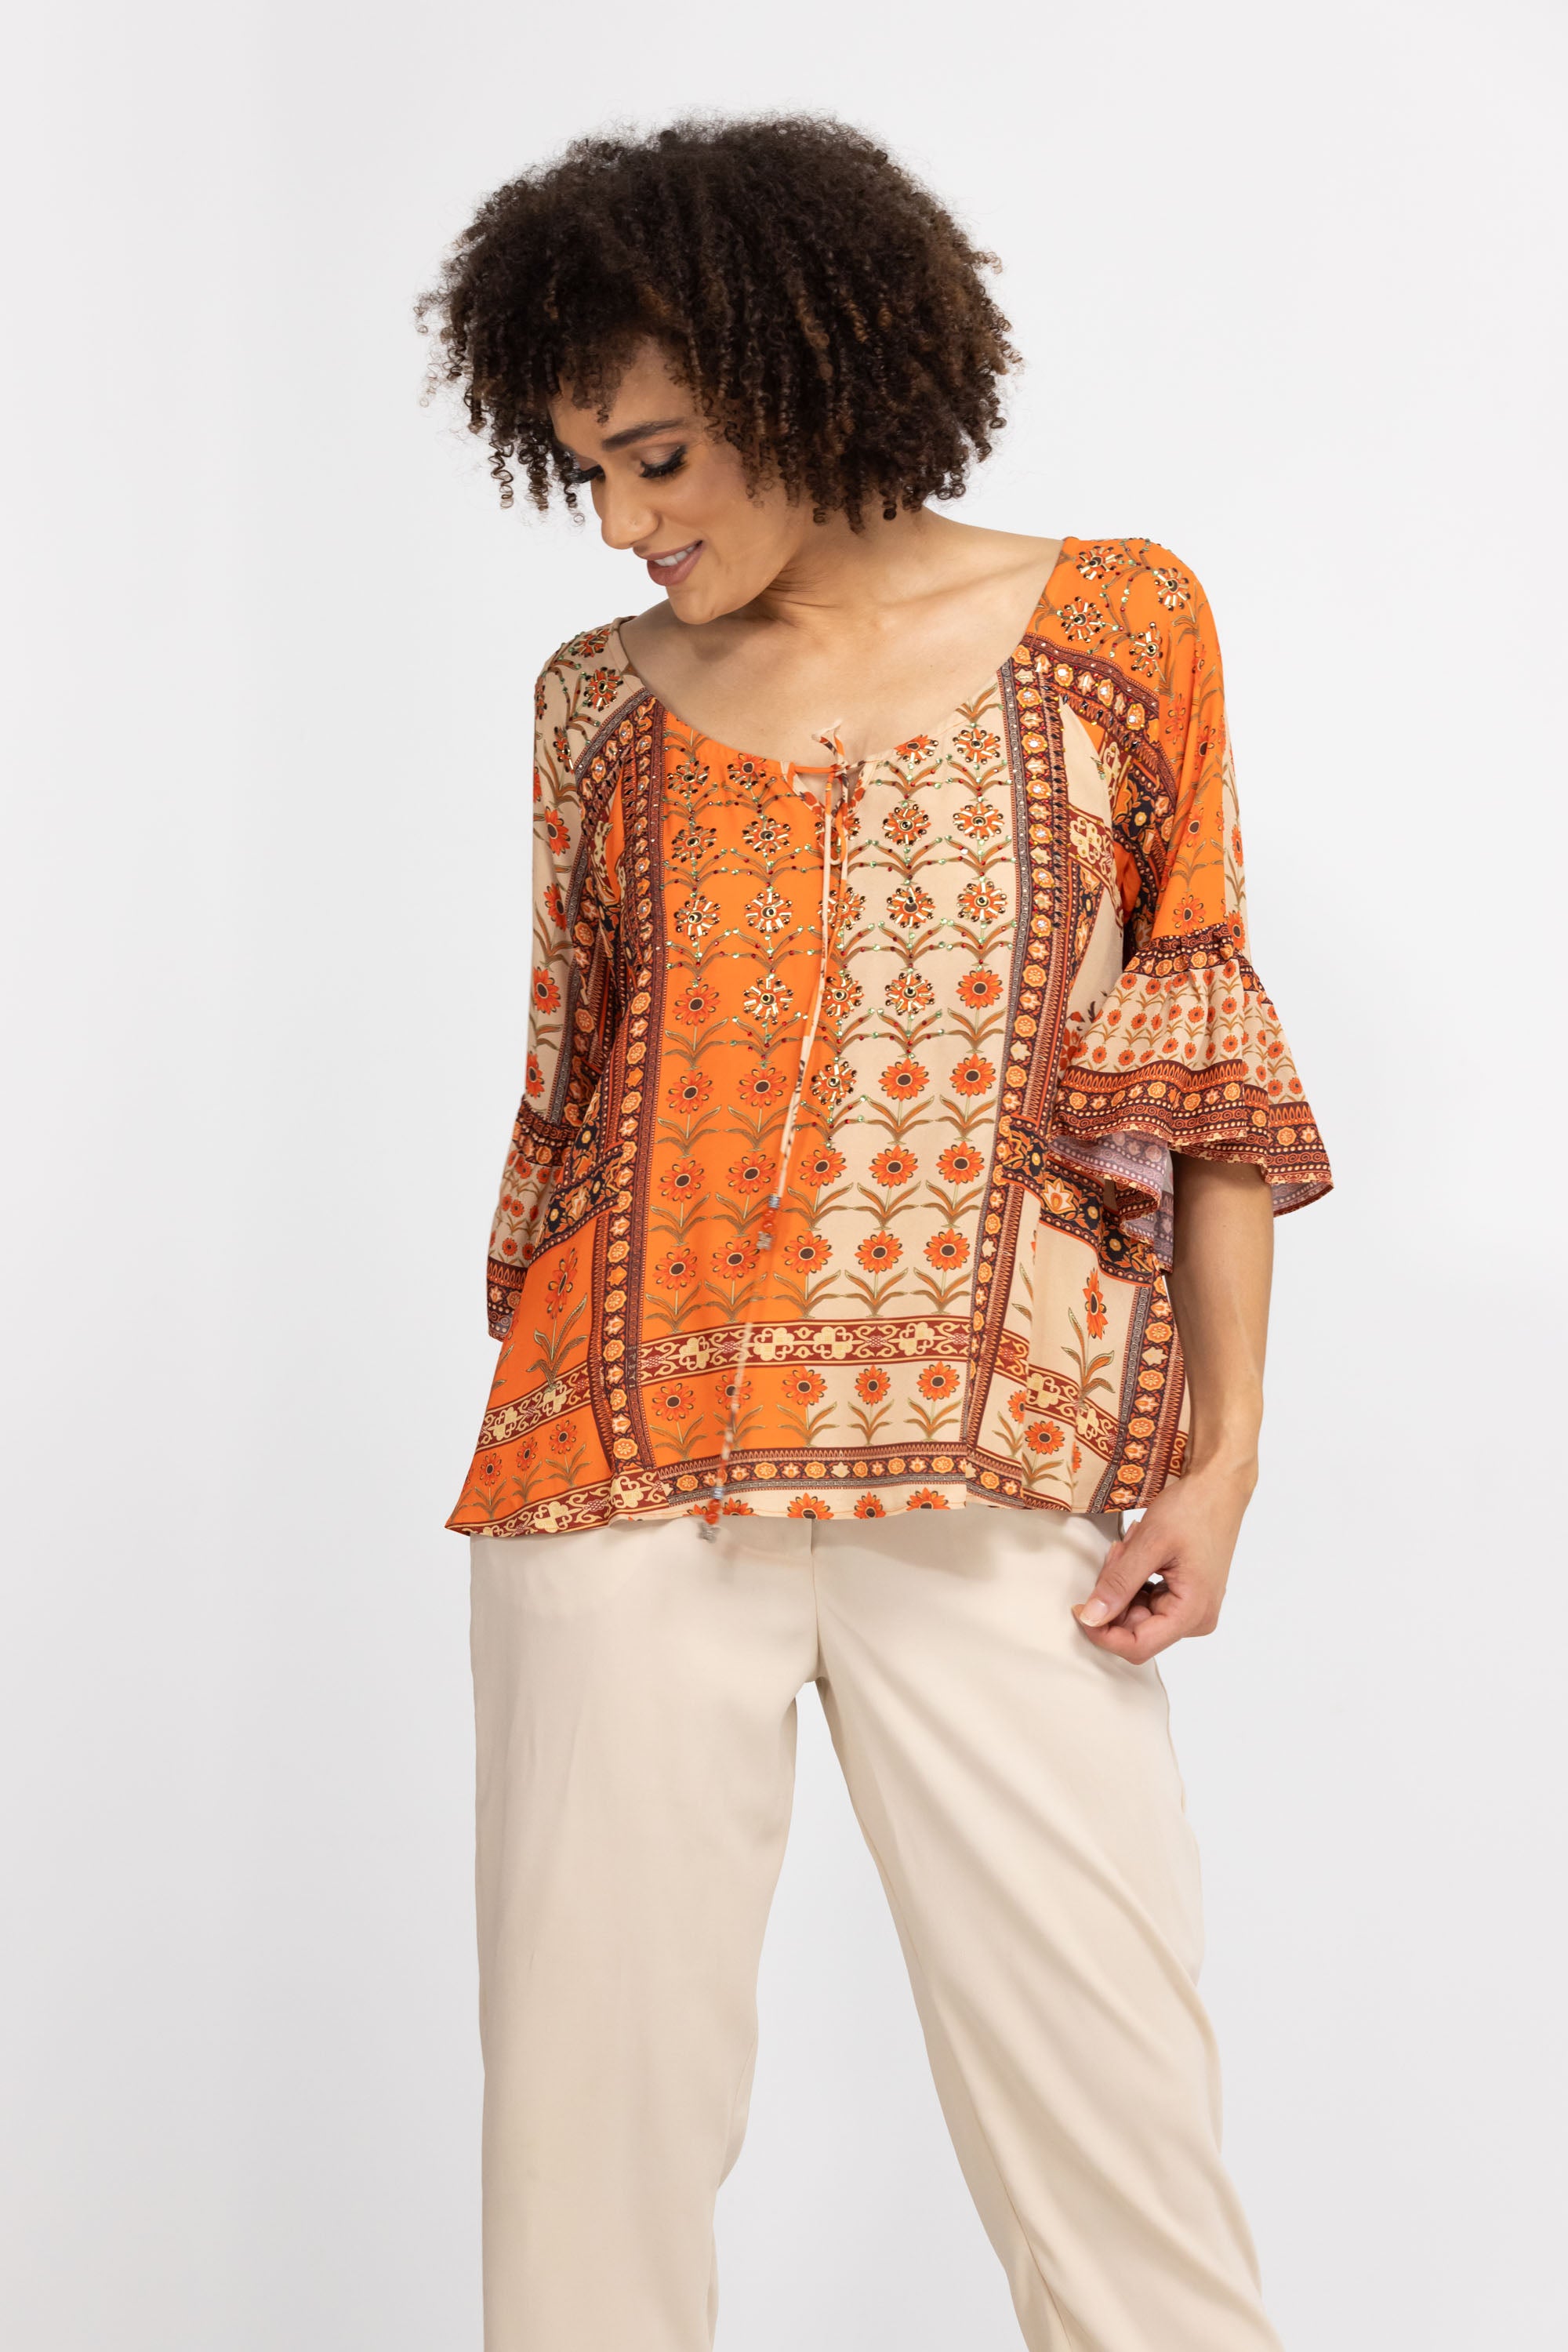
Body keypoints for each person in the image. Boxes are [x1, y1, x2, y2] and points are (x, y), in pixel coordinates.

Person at [418, 113, 1331, 2352]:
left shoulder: (1119, 624)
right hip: (620, 1471)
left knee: (1120, 2152)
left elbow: (1200, 1052)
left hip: (1006, 1473)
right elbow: (568, 1095)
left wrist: (1222, 1461)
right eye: (587, 477)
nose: (623, 526)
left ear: (809, 381)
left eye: (659, 459)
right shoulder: (595, 706)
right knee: (585, 2164)